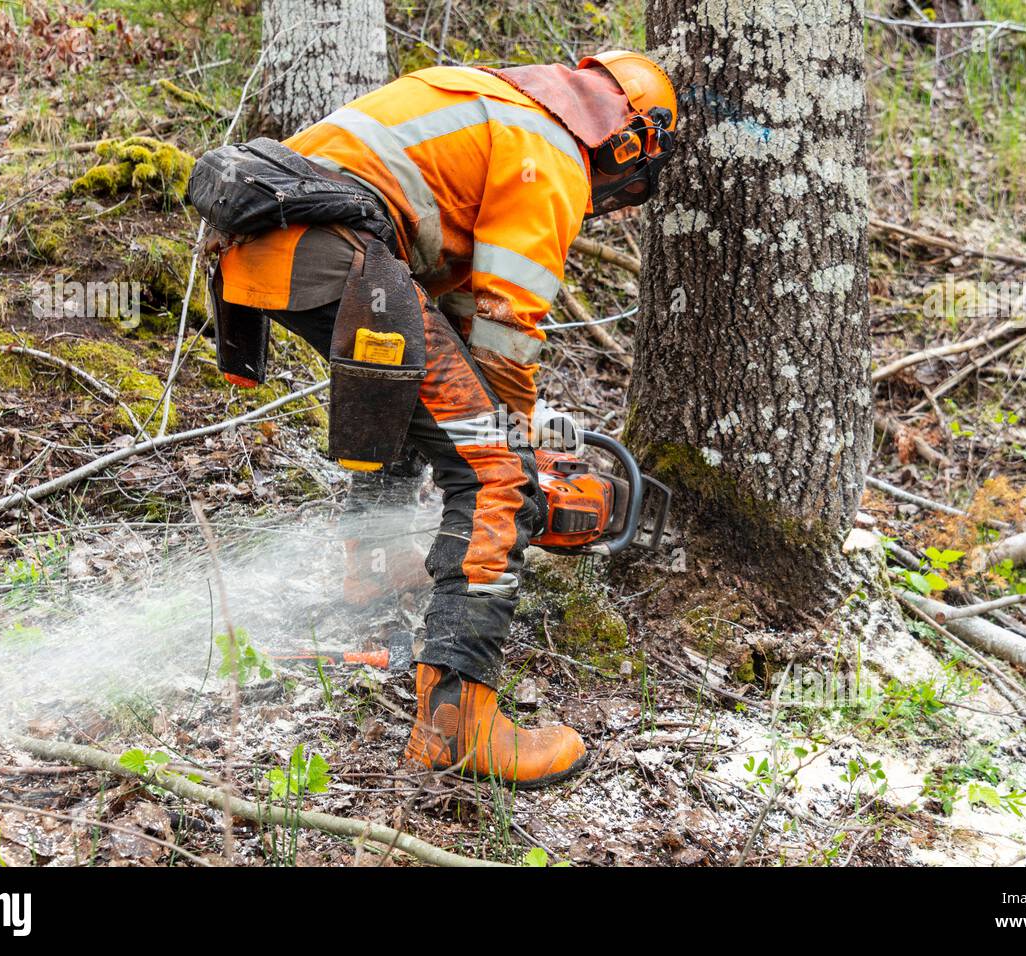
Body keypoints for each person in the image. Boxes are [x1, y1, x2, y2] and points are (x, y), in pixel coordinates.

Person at [212, 51, 677, 787]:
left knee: (421, 405)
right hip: (338, 254)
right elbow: (506, 330)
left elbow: (456, 327)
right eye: (628, 185)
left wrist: (509, 423)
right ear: (626, 140)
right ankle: (459, 726)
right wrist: (520, 454)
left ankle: (375, 573)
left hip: (268, 251)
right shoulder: (549, 148)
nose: (611, 199)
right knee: (494, 476)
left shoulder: (489, 106)